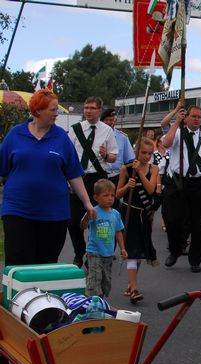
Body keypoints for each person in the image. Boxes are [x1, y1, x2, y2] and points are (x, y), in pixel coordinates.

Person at [0, 89, 96, 266]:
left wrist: (87, 203)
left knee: (46, 264)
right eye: (52, 110)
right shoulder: (15, 134)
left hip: (54, 213)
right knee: (17, 262)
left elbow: (74, 174)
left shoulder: (61, 137)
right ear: (38, 111)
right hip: (18, 209)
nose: (56, 113)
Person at [163, 105, 201, 272]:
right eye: (193, 116)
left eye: (199, 117)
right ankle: (175, 250)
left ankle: (195, 260)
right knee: (172, 220)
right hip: (177, 182)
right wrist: (176, 122)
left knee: (197, 224)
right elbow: (166, 143)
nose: (196, 119)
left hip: (198, 184)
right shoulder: (177, 133)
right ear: (186, 117)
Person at [68, 96, 118, 267]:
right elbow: (68, 154)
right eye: (86, 108)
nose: (88, 111)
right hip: (78, 178)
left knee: (98, 220)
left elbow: (113, 157)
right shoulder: (75, 129)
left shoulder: (107, 131)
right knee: (73, 221)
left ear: (99, 110)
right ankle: (79, 251)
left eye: (92, 108)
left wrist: (106, 155)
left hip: (98, 179)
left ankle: (93, 255)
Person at [116, 138, 159, 302]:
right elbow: (117, 194)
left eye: (150, 153)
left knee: (139, 252)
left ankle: (130, 283)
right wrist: (128, 186)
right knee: (132, 251)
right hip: (129, 213)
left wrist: (140, 172)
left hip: (145, 214)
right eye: (143, 153)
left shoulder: (154, 169)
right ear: (136, 152)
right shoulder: (126, 169)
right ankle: (134, 289)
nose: (147, 156)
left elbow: (150, 189)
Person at [81, 179, 127, 297]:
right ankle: (90, 300)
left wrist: (122, 248)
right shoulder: (94, 211)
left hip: (108, 252)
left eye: (112, 195)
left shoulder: (115, 214)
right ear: (96, 197)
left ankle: (100, 300)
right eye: (105, 195)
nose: (110, 198)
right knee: (95, 277)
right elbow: (83, 226)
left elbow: (118, 232)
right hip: (94, 251)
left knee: (106, 280)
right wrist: (87, 217)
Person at [101, 108, 136, 212]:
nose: (109, 122)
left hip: (116, 177)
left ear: (115, 121)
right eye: (106, 120)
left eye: (111, 120)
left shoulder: (122, 138)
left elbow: (129, 160)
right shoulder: (96, 136)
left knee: (115, 208)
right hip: (100, 176)